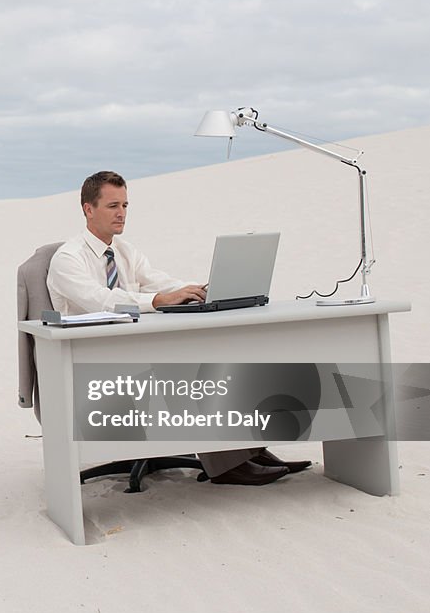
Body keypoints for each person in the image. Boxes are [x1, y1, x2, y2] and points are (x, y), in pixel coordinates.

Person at [46, 170, 311, 486]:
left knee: (225, 359)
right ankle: (228, 465)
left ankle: (249, 451)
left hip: (133, 351)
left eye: (126, 205)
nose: (121, 214)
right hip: (90, 365)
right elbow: (101, 300)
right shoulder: (68, 258)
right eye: (112, 206)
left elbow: (158, 280)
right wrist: (158, 299)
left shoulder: (125, 251)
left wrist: (196, 290)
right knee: (197, 371)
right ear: (88, 209)